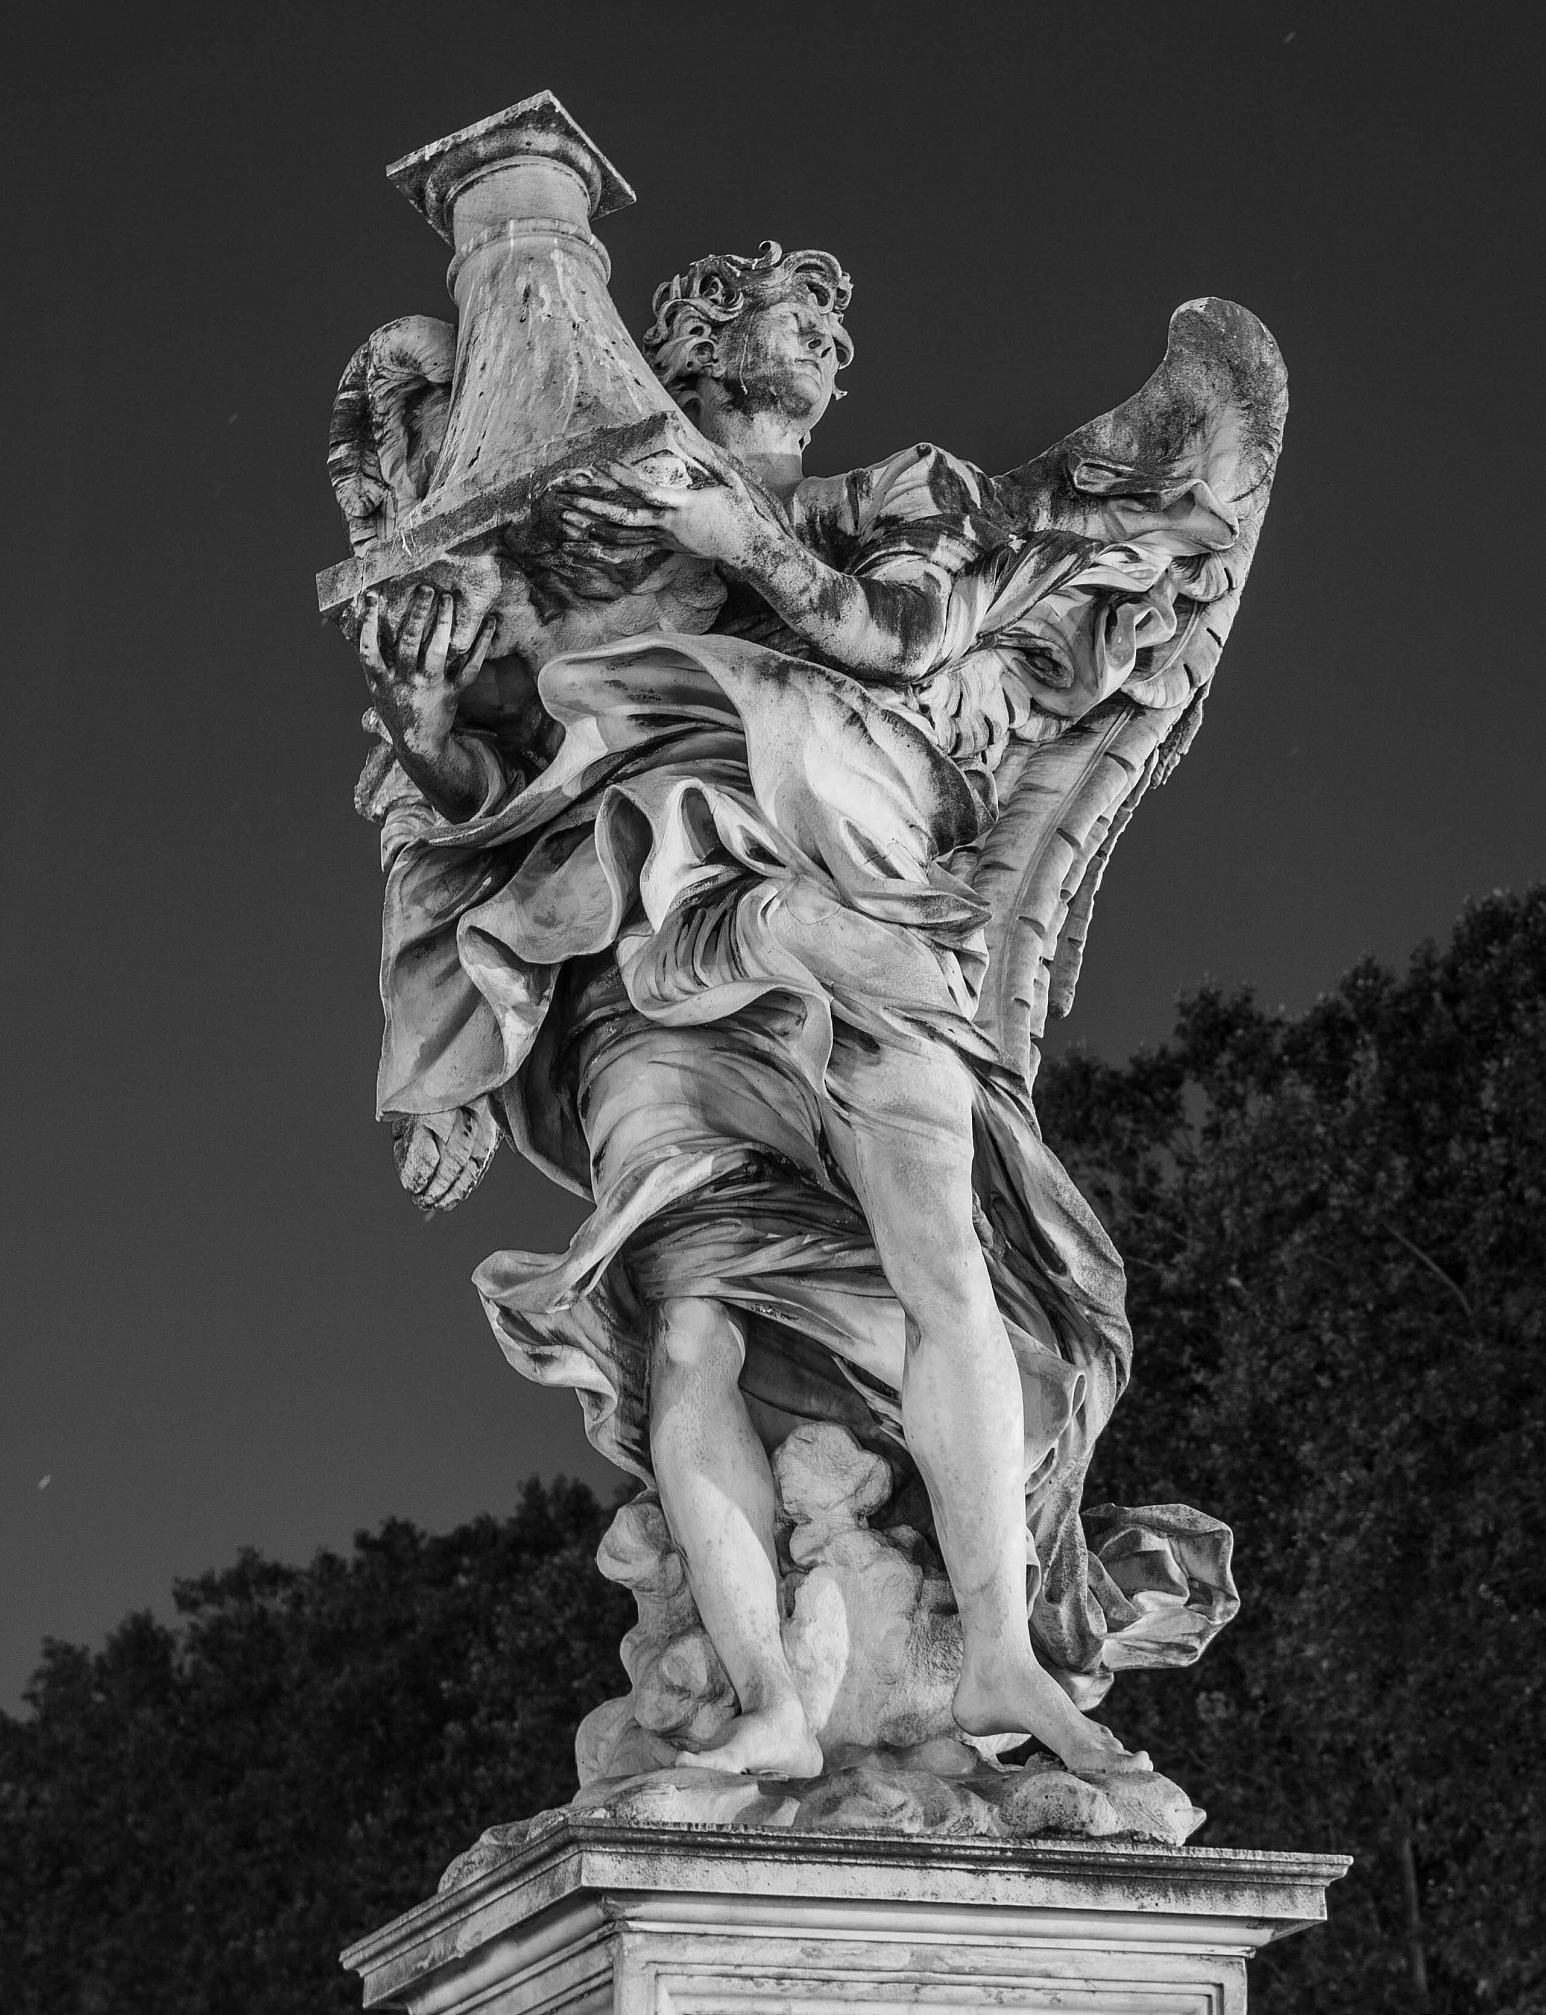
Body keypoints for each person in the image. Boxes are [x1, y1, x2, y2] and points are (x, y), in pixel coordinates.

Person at [358, 243, 1239, 1779]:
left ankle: (1002, 1653)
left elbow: (909, 633)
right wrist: (428, 709)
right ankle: (766, 1700)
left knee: (947, 1271)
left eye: (831, 319)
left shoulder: (891, 495)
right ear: (688, 342)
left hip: (851, 891)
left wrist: (734, 534)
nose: (825, 336)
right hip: (640, 952)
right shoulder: (570, 571)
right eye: (787, 311)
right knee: (688, 1324)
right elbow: (468, 792)